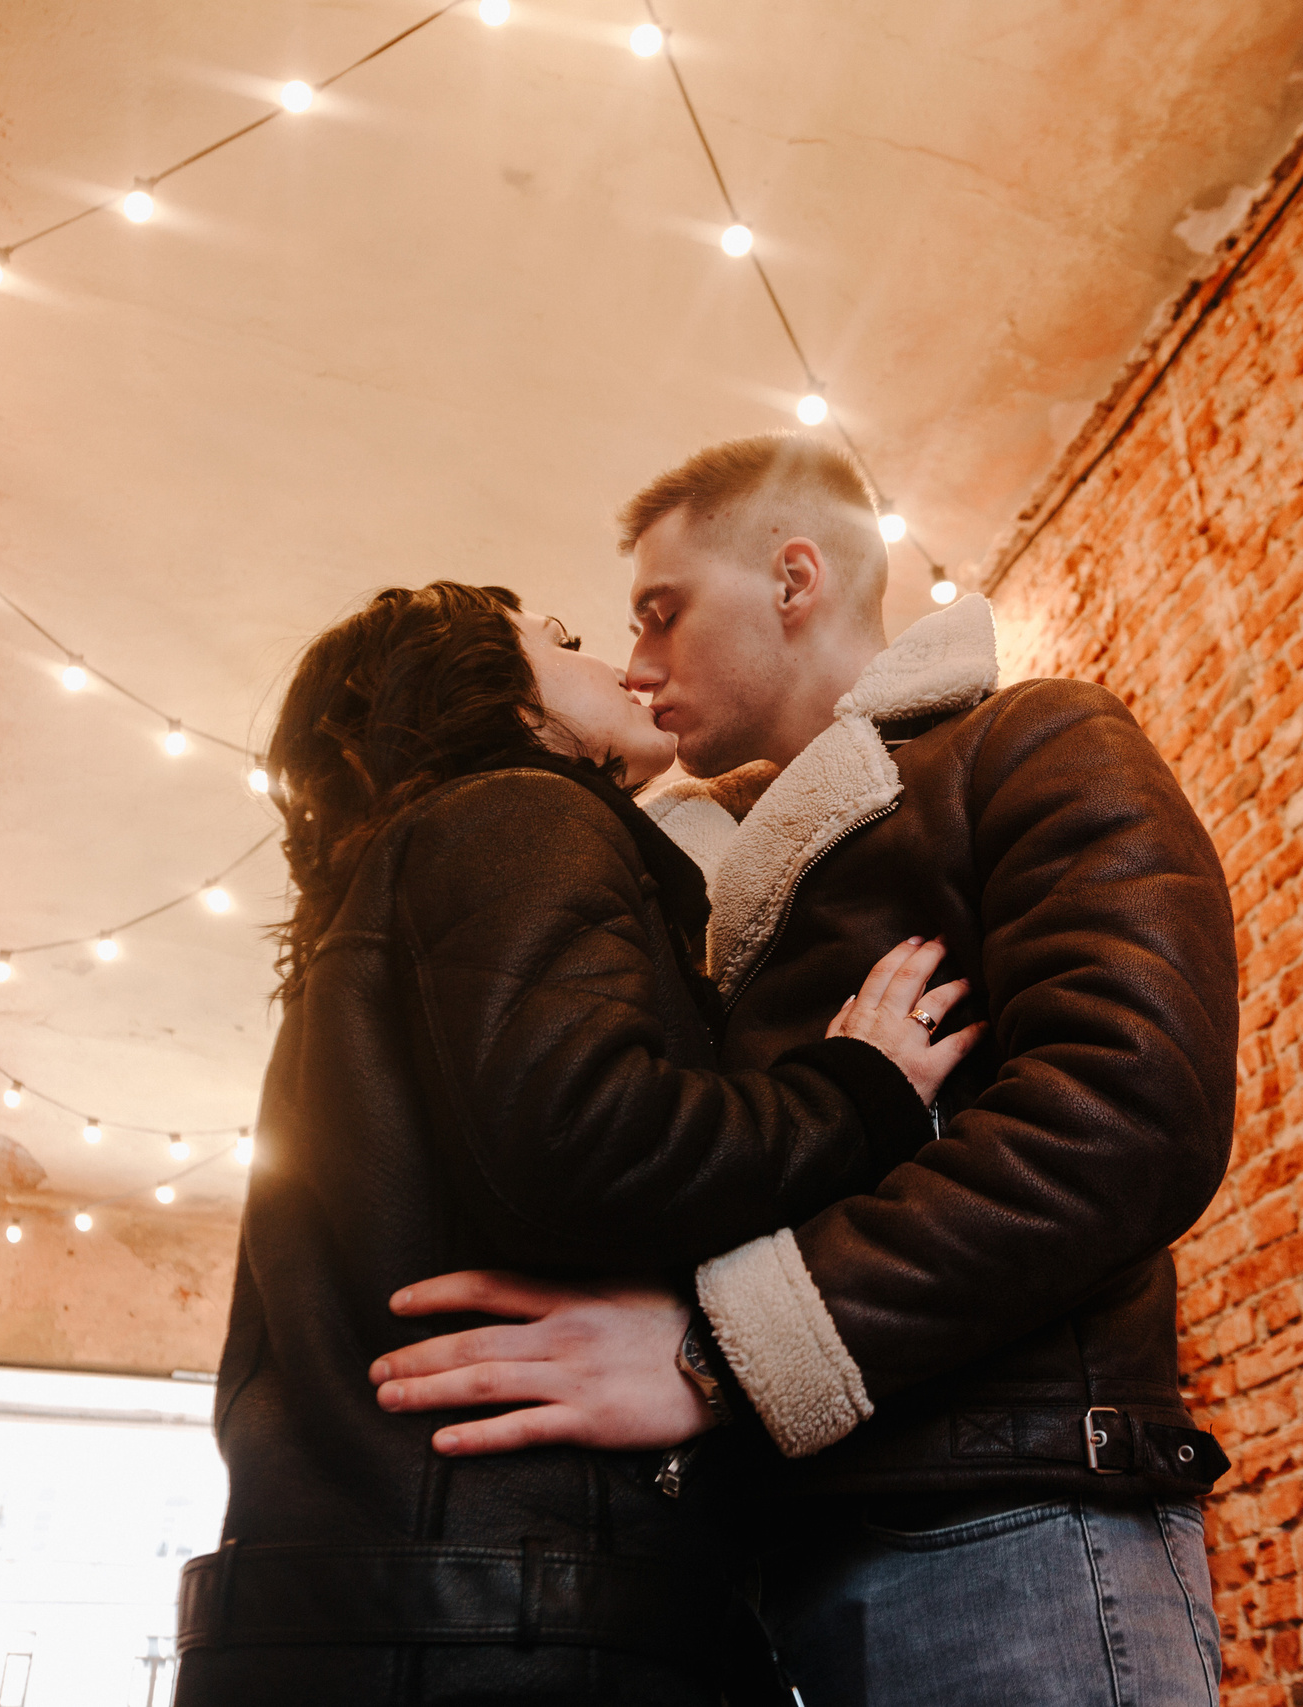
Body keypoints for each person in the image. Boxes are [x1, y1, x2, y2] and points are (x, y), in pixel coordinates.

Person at [369, 436, 1242, 1705]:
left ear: (793, 578)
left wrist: (717, 1354)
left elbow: (1126, 1114)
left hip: (1001, 1521)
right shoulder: (689, 888)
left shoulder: (1033, 740)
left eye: (662, 615)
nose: (640, 666)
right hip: (771, 1558)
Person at [171, 582, 984, 1706]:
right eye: (562, 644)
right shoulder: (516, 810)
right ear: (483, 685)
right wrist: (859, 1091)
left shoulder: (396, 883)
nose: (625, 667)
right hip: (512, 1621)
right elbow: (587, 1141)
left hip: (358, 1610)